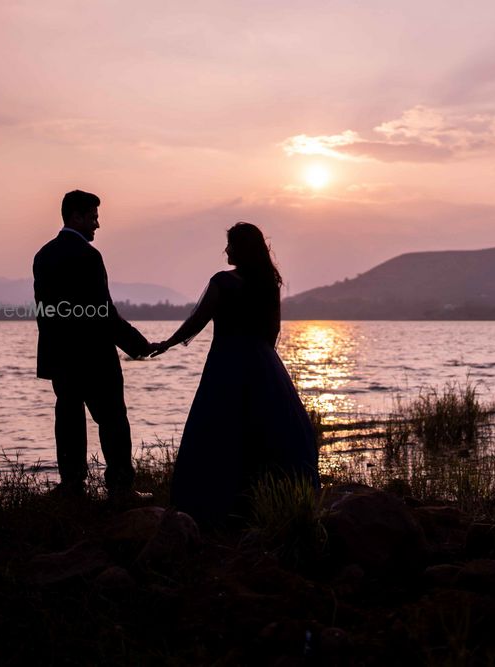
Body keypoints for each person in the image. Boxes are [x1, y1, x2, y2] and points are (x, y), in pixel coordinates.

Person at [151, 222, 319, 521]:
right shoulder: (268, 283)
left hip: (227, 363)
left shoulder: (223, 282)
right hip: (263, 361)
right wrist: (266, 362)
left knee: (219, 427)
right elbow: (274, 329)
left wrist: (168, 343)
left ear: (240, 249)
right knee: (265, 428)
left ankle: (213, 503)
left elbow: (197, 321)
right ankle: (266, 498)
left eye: (229, 244)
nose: (225, 250)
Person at [33, 190, 156, 500]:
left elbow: (45, 313)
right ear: (76, 216)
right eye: (94, 217)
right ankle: (120, 488)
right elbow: (103, 313)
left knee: (69, 419)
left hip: (61, 357)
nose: (97, 225)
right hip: (95, 356)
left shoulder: (43, 256)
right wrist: (138, 345)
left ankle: (72, 485)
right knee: (113, 419)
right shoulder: (89, 257)